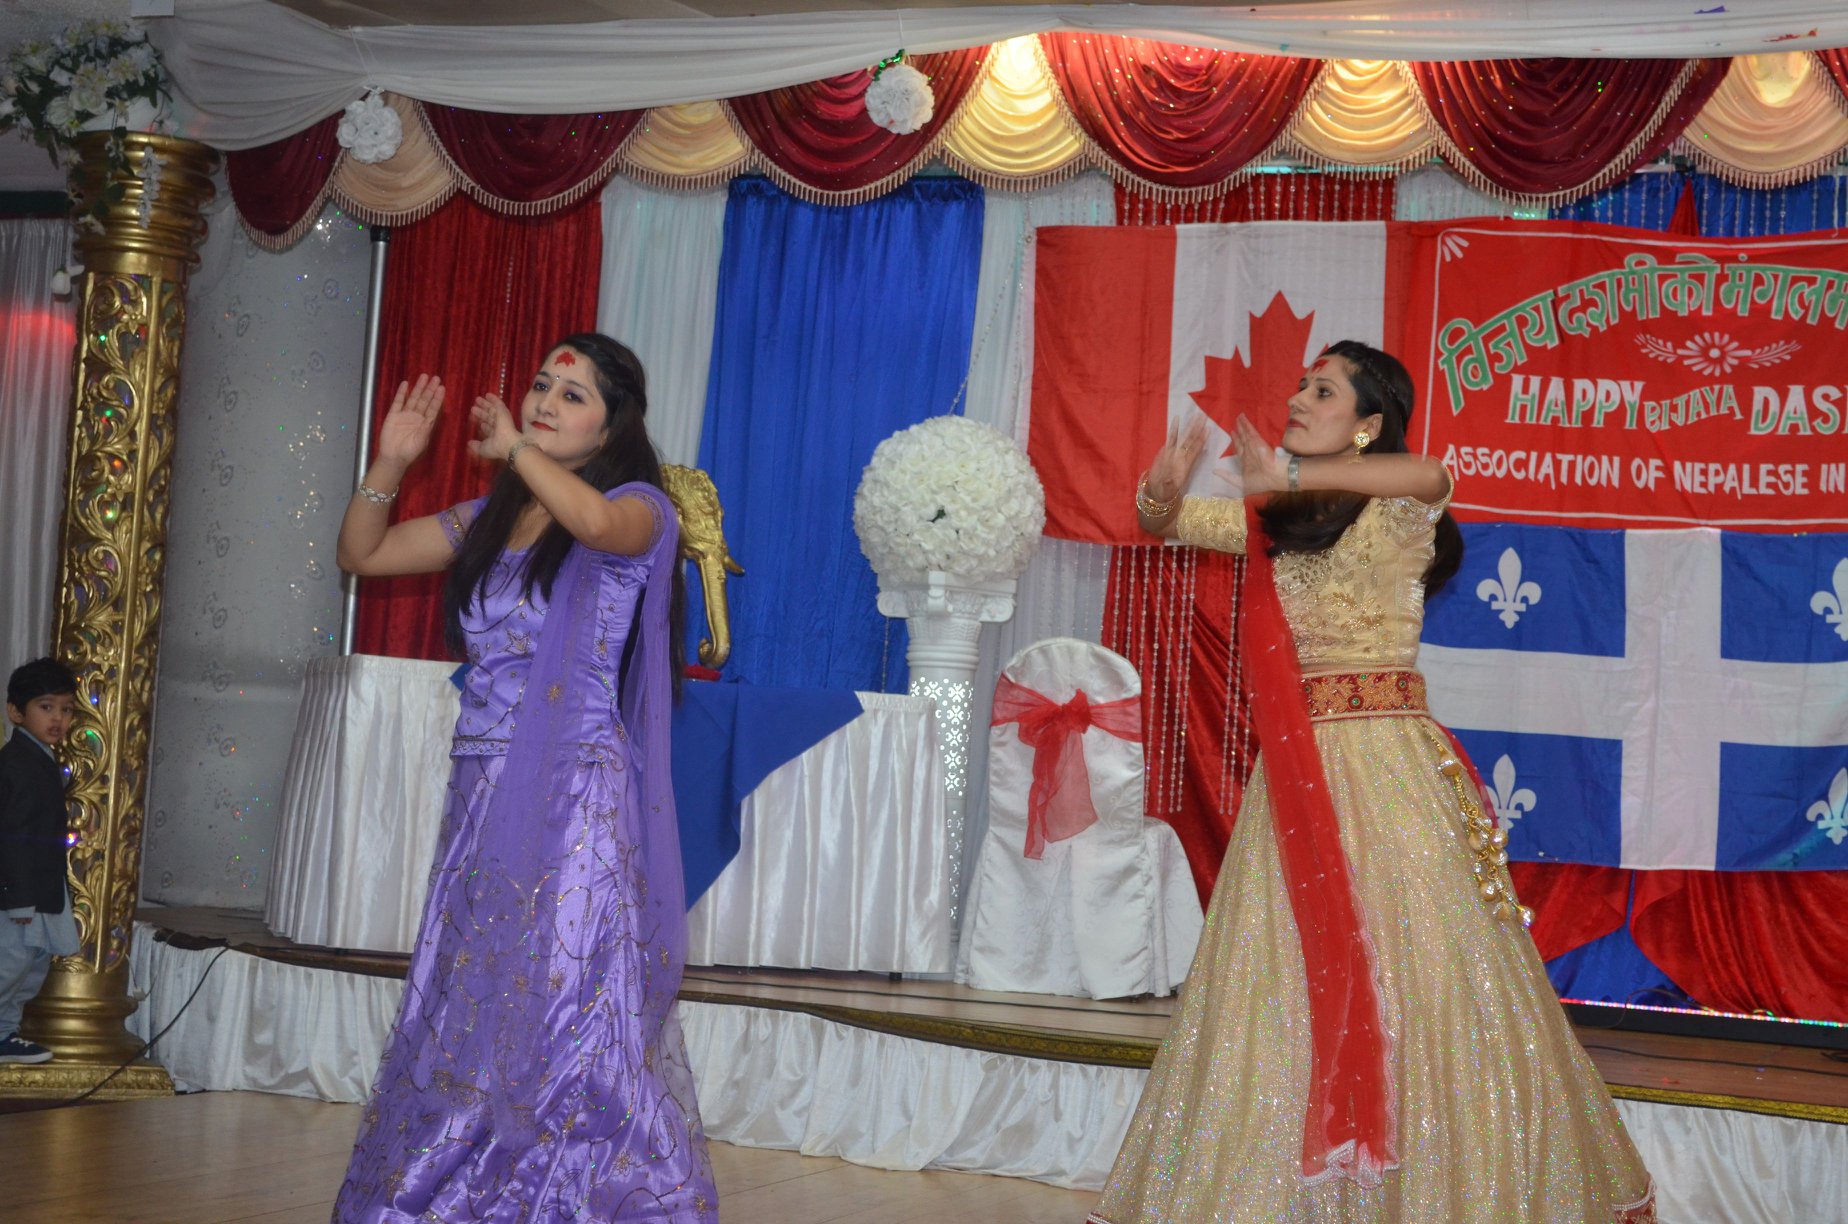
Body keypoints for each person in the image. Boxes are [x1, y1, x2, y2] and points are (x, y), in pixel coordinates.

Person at [1089, 342, 1655, 1222]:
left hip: (1386, 766)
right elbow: (1165, 523)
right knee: (1277, 979)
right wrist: (1161, 490)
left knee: (1426, 970)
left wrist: (1291, 472)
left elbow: (1432, 474)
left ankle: (1445, 1186)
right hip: (1297, 776)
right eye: (1300, 384)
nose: (1297, 397)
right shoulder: (1280, 518)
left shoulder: (1394, 511)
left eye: (1323, 390)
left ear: (1366, 425)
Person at [331, 334, 715, 1222]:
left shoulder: (641, 509)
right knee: (477, 987)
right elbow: (363, 555)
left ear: (612, 427)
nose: (546, 400)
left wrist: (514, 450)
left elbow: (594, 527)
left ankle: (590, 1192)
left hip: (575, 791)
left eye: (573, 395)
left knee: (565, 990)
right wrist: (391, 462)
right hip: (481, 787)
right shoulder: (490, 516)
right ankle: (479, 1176)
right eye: (543, 384)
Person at [0, 657, 81, 1066]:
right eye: (46, 707)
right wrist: (17, 898)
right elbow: (11, 837)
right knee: (9, 964)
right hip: (18, 895)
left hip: (36, 890)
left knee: (30, 965)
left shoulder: (39, 760)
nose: (58, 719)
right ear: (16, 712)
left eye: (66, 709)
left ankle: (3, 1035)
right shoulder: (15, 764)